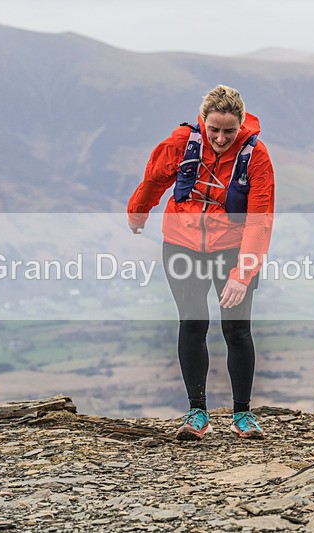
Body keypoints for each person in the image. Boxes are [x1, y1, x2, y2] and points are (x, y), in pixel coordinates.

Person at [127, 85, 275, 440]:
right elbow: (154, 178)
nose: (221, 138)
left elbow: (260, 220)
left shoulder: (256, 157)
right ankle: (198, 414)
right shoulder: (181, 144)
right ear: (202, 121)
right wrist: (137, 213)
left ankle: (243, 415)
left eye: (229, 130)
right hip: (182, 244)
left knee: (236, 330)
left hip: (232, 248)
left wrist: (243, 274)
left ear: (241, 124)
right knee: (193, 325)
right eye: (214, 130)